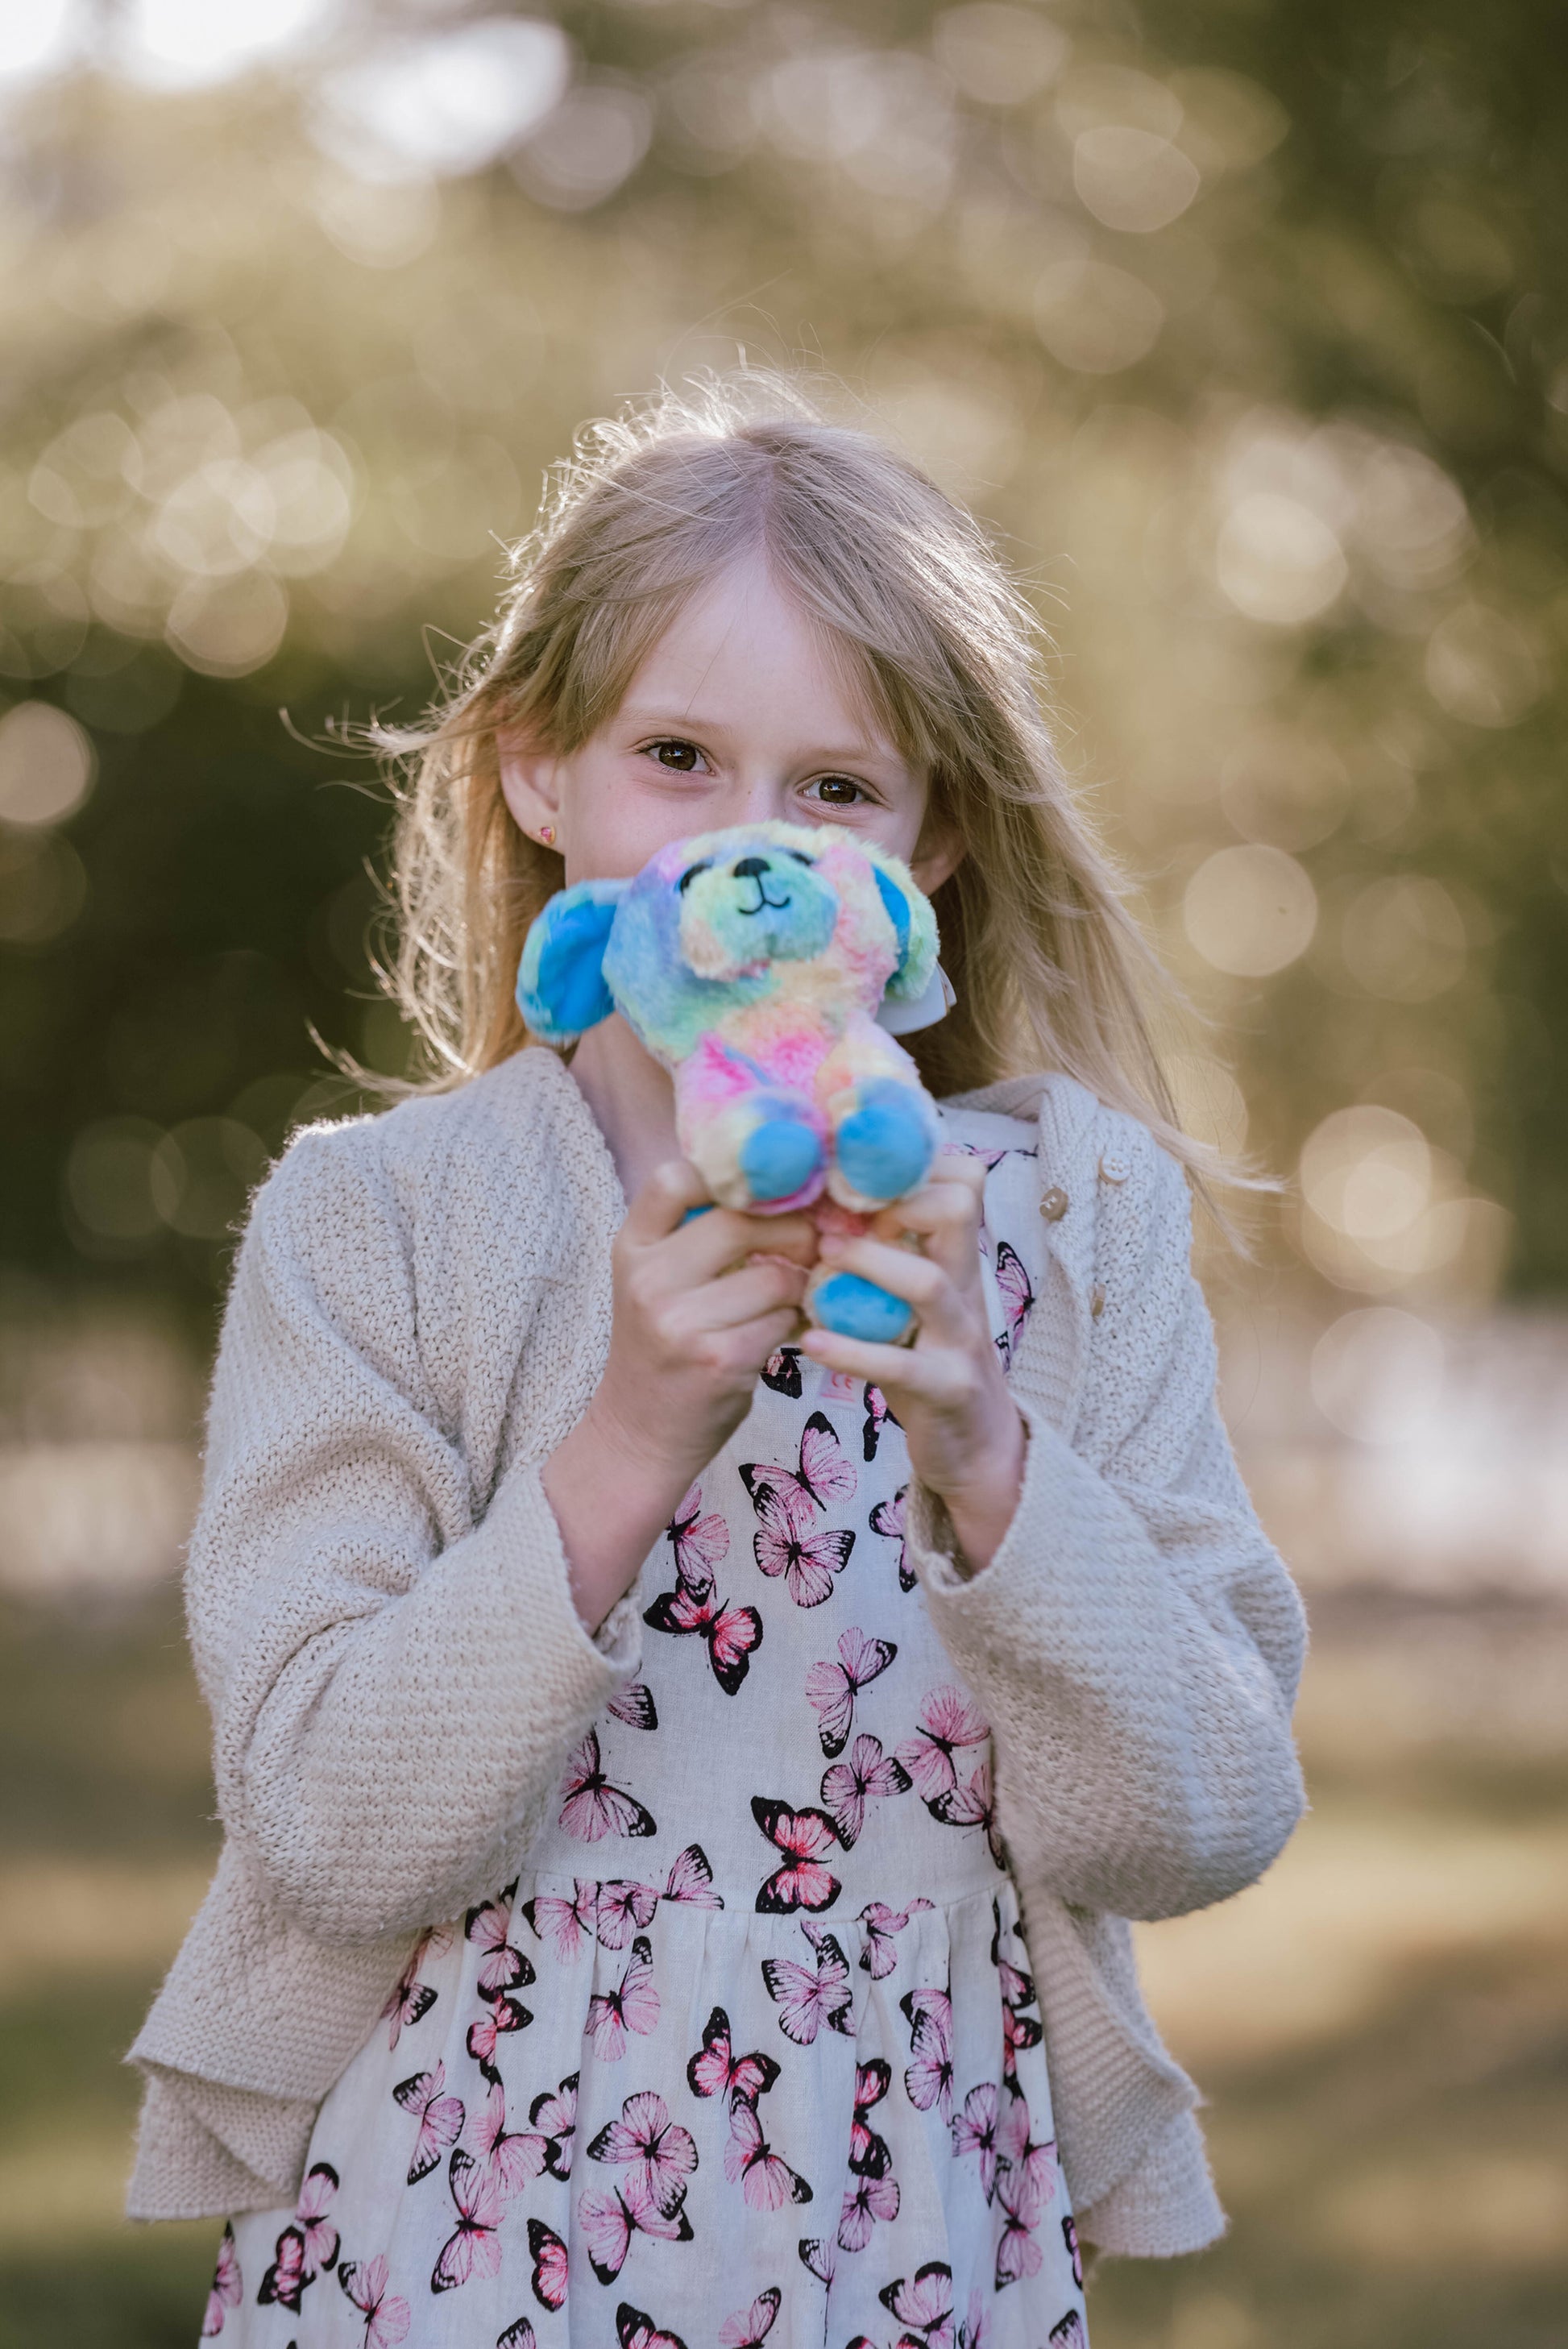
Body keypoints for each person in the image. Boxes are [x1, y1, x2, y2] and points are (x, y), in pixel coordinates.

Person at [129, 374, 1307, 2349]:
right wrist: (621, 1443)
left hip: (911, 2214)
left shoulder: (1061, 1228)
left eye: (835, 789)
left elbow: (1196, 1819)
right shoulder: (384, 1225)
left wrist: (997, 1466)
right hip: (456, 2221)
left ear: (925, 854)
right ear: (537, 775)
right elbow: (327, 1826)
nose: (743, 848)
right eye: (676, 755)